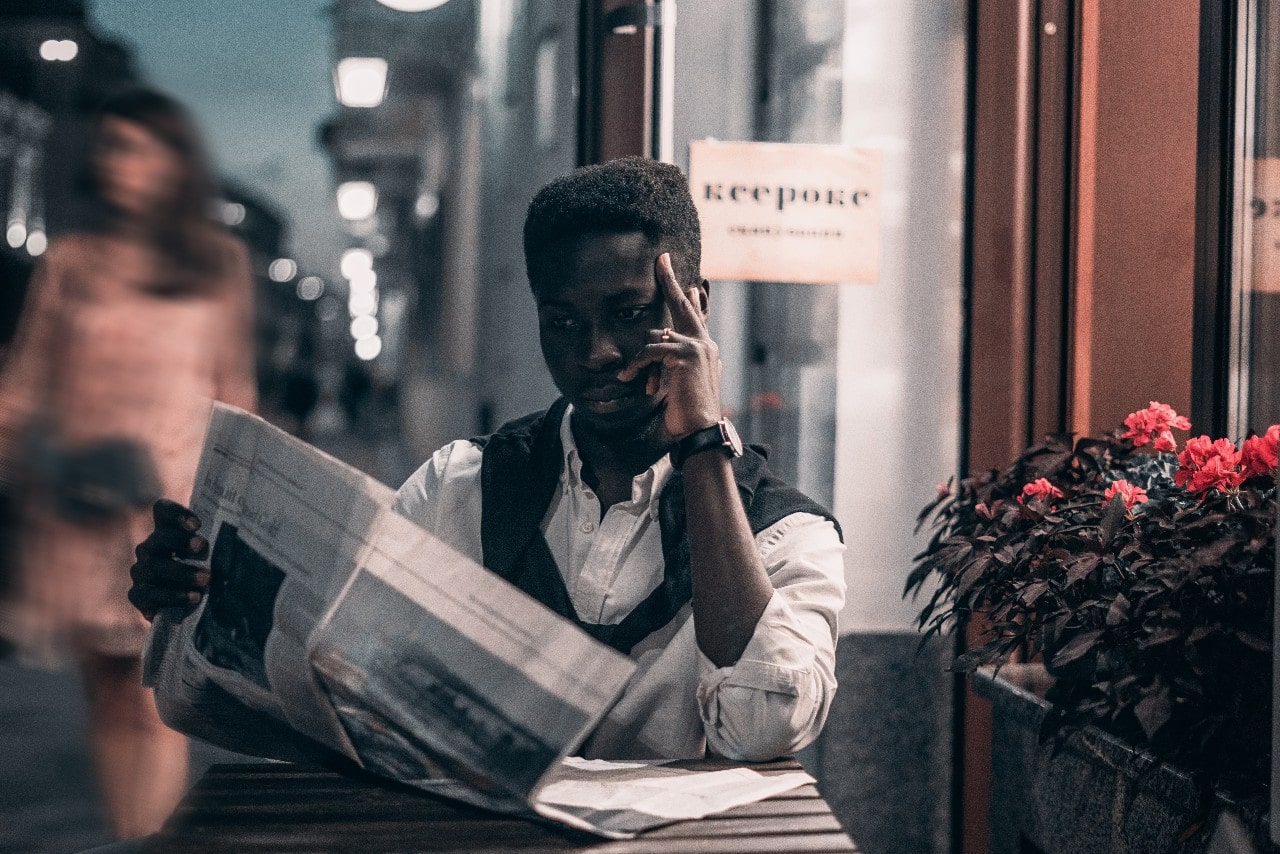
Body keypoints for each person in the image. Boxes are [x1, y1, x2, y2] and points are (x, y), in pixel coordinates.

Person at [129, 157, 843, 763]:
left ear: (694, 308)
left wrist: (702, 442)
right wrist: (200, 596)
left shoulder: (788, 532)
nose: (594, 353)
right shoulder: (461, 486)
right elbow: (337, 674)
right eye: (563, 323)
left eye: (628, 314)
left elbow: (763, 729)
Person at [0, 87, 257, 838]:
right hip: (79, 508)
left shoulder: (216, 263)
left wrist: (240, 506)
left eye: (138, 149)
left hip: (169, 509)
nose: (121, 165)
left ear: (175, 163)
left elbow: (233, 391)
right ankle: (128, 833)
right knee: (108, 698)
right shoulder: (72, 261)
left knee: (157, 700)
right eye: (111, 148)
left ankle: (154, 839)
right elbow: (27, 382)